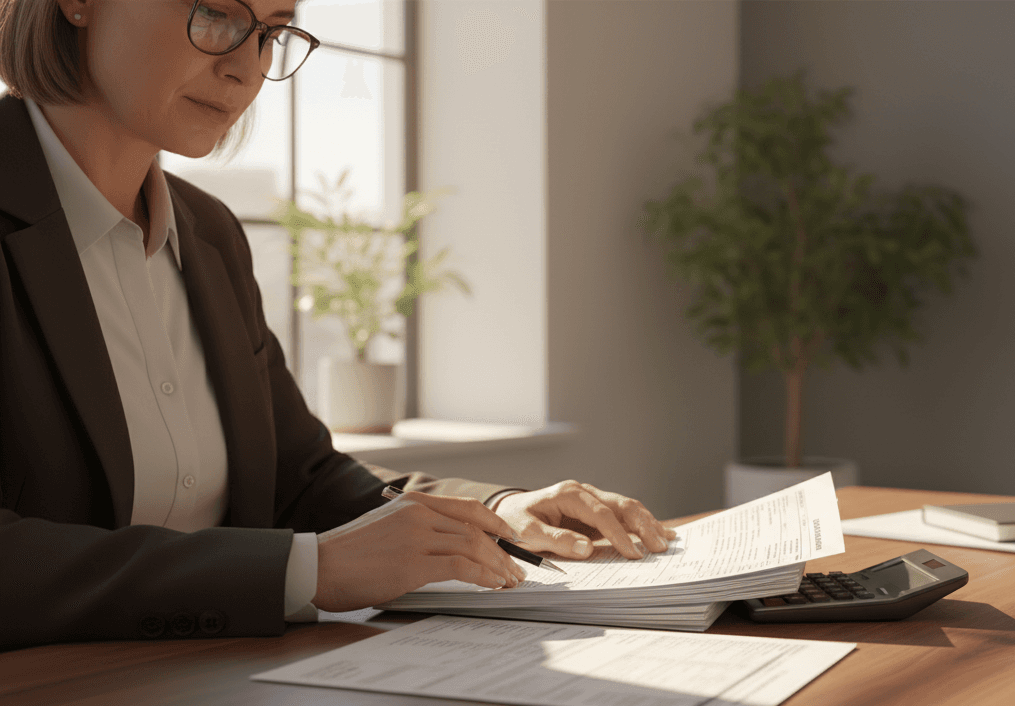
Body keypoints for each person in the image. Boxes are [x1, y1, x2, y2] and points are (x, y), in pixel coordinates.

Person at [0, 0, 675, 650]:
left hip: (223, 692)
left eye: (270, 32)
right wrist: (307, 570)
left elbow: (303, 479)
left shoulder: (210, 235)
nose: (246, 68)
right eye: (214, 15)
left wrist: (494, 513)